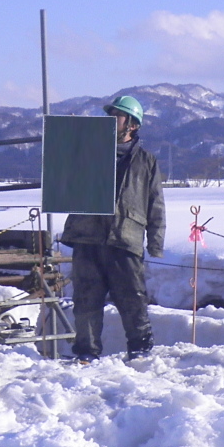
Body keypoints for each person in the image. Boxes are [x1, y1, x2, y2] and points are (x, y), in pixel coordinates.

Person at [60, 94, 166, 361]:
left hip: (125, 238)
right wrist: (68, 139)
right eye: (110, 114)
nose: (110, 119)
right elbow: (61, 178)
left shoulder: (146, 161)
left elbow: (155, 204)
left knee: (133, 298)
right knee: (86, 299)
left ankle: (140, 350)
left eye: (117, 115)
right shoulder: (88, 152)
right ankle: (86, 353)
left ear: (132, 124)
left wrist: (156, 243)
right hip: (87, 236)